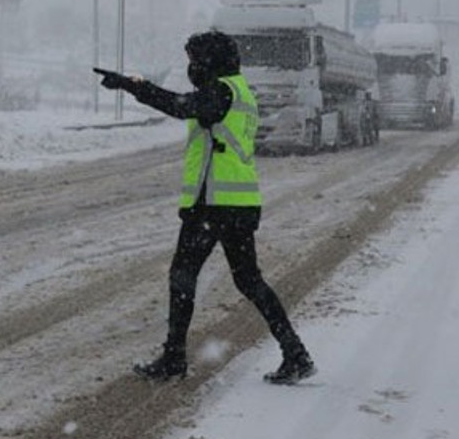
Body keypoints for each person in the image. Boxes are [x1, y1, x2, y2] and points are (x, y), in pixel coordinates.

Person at [93, 30, 315, 384]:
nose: (192, 67)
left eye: (196, 61)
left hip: (215, 206)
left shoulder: (222, 91)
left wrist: (133, 86)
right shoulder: (239, 90)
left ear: (211, 62)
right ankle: (295, 353)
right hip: (237, 203)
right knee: (248, 280)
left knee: (183, 277)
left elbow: (182, 106)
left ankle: (174, 358)